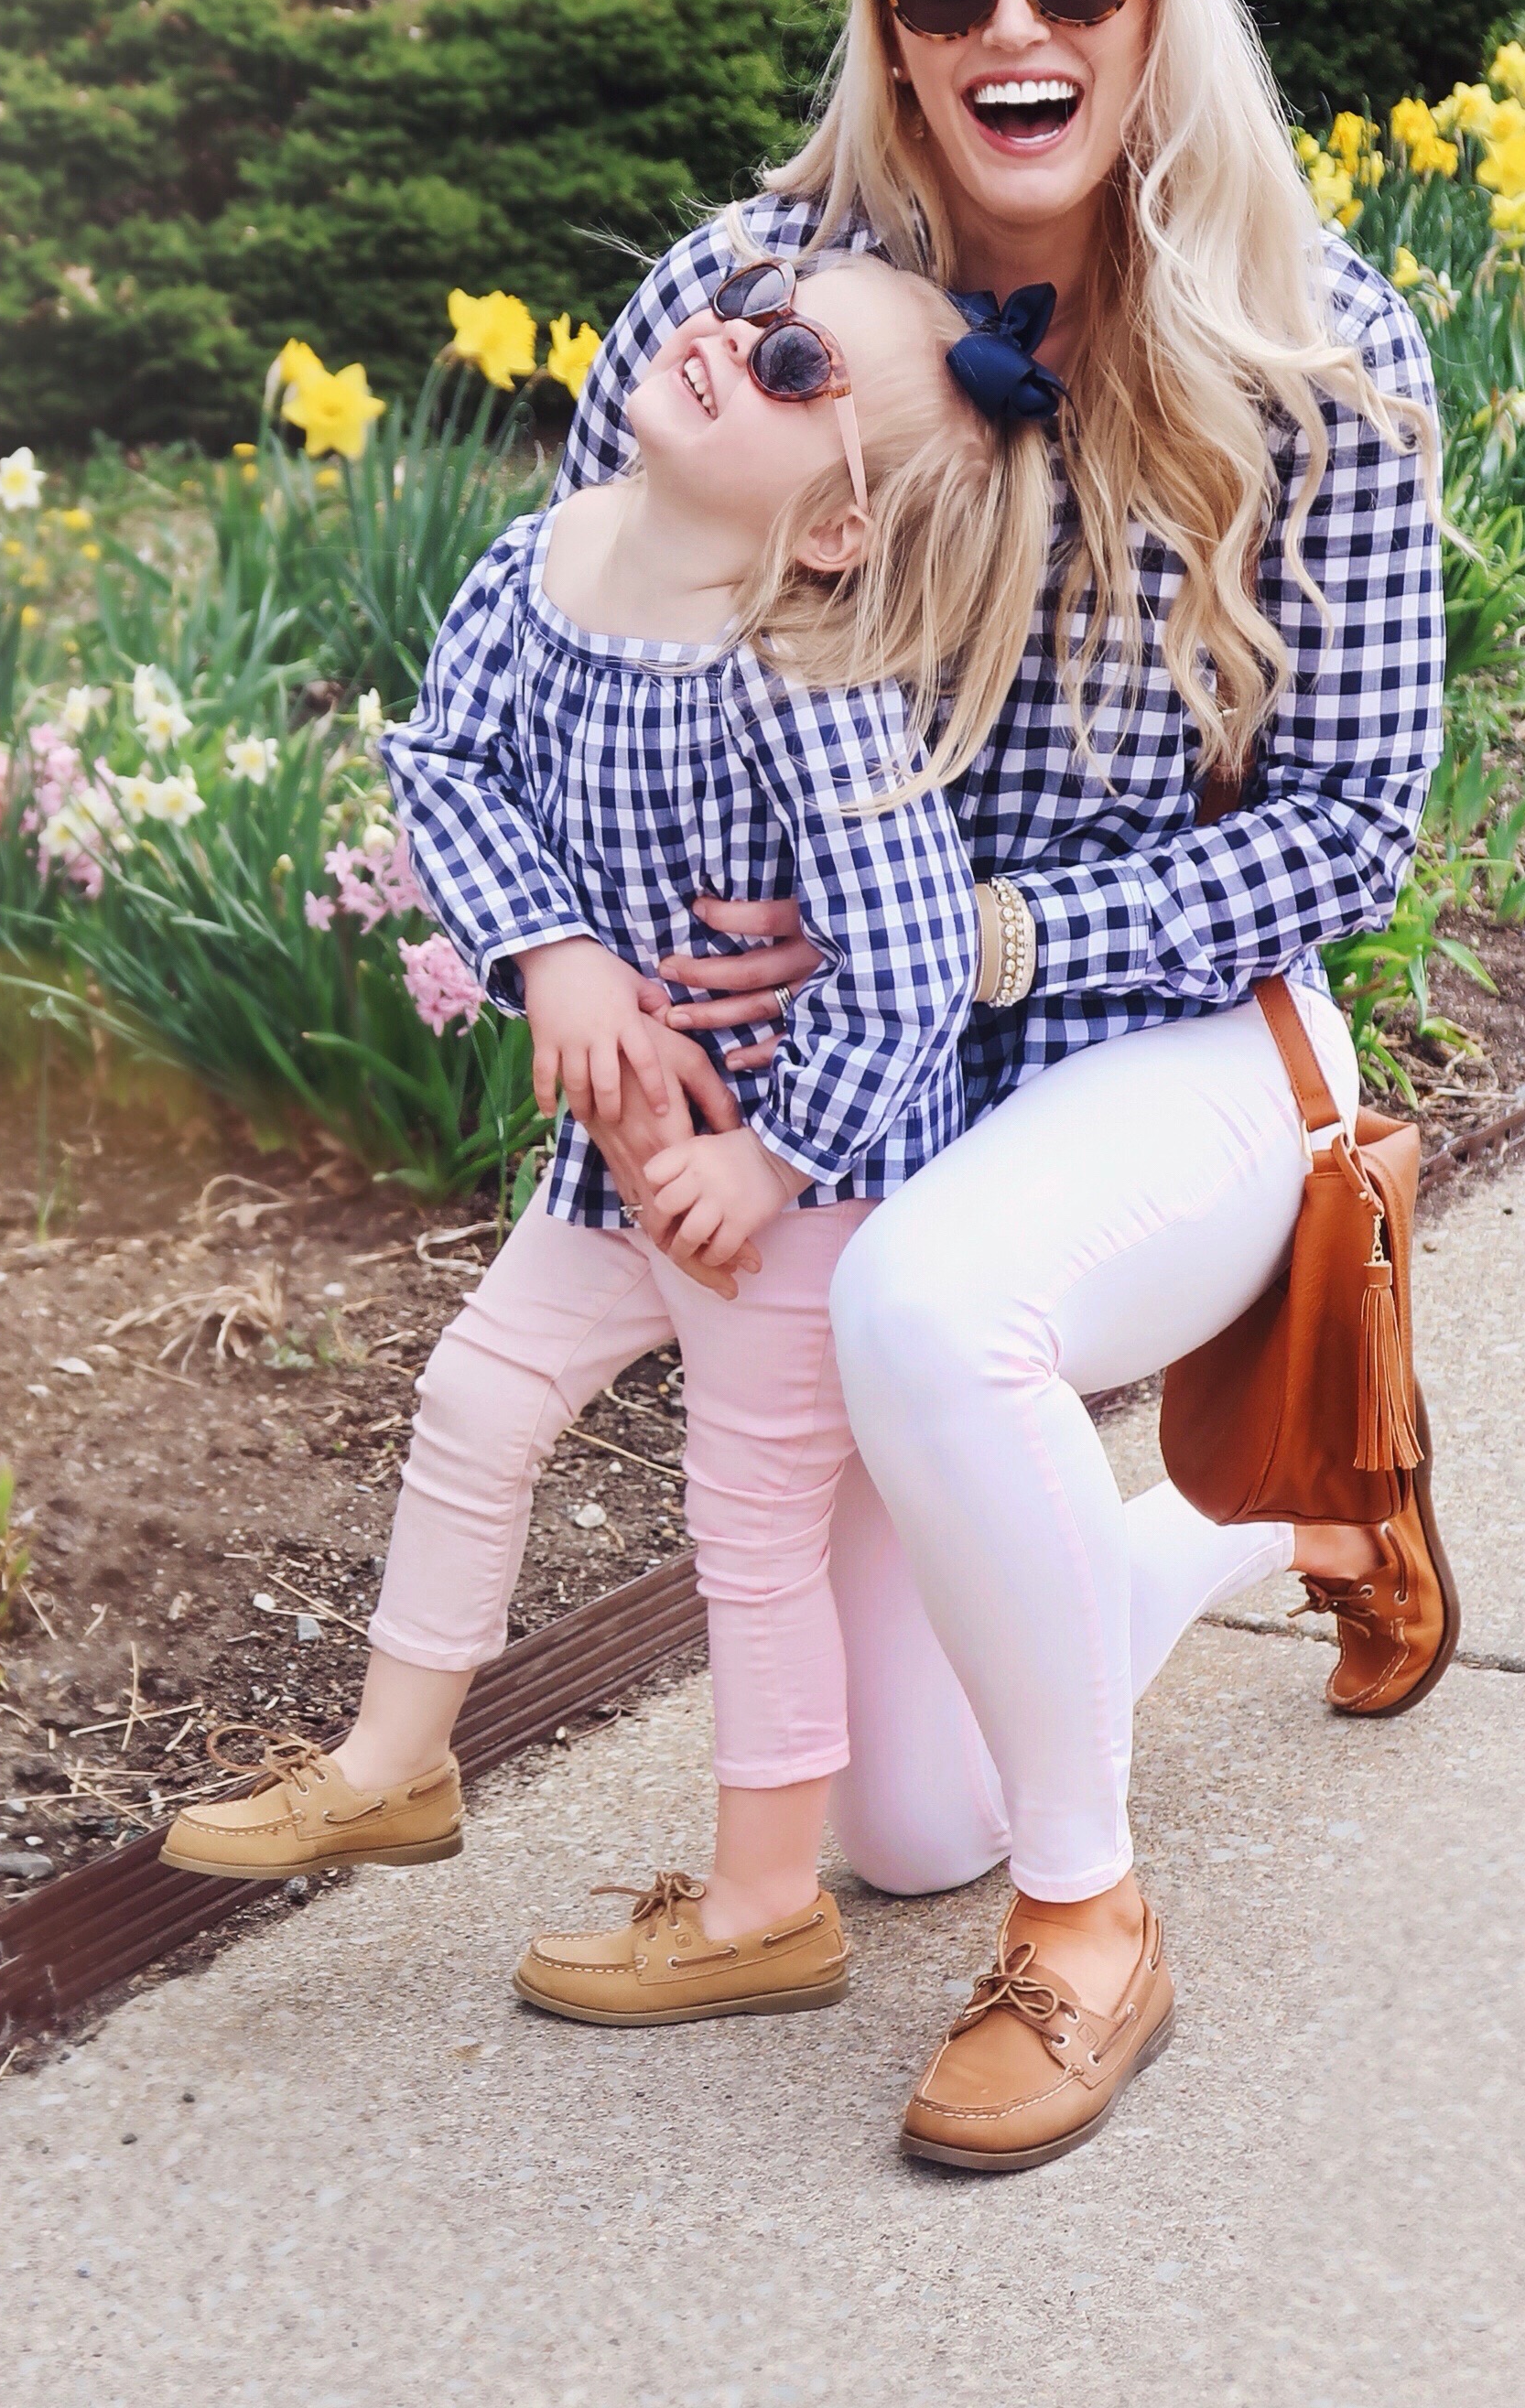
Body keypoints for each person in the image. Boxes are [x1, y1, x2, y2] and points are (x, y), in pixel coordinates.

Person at [527, 0, 1452, 2171]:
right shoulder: (738, 305)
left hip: (1177, 1034)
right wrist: (602, 956)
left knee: (928, 1311)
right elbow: (560, 652)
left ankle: (1090, 1932)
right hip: (853, 1076)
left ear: (1156, 0)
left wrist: (977, 941)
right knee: (898, 1814)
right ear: (887, 17)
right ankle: (1304, 1505)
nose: (1009, 22)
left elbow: (1350, 830)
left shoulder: (1311, 339)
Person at [162, 254, 1059, 2028]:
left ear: (830, 532)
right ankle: (395, 1760)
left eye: (794, 357)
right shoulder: (545, 562)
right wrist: (551, 947)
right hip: (622, 1151)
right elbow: (449, 765)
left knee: (750, 1528)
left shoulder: (807, 673)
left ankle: (761, 1903)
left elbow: (909, 959)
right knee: (479, 1394)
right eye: (751, 301)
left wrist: (776, 1159)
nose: (730, 332)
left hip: (795, 1178)